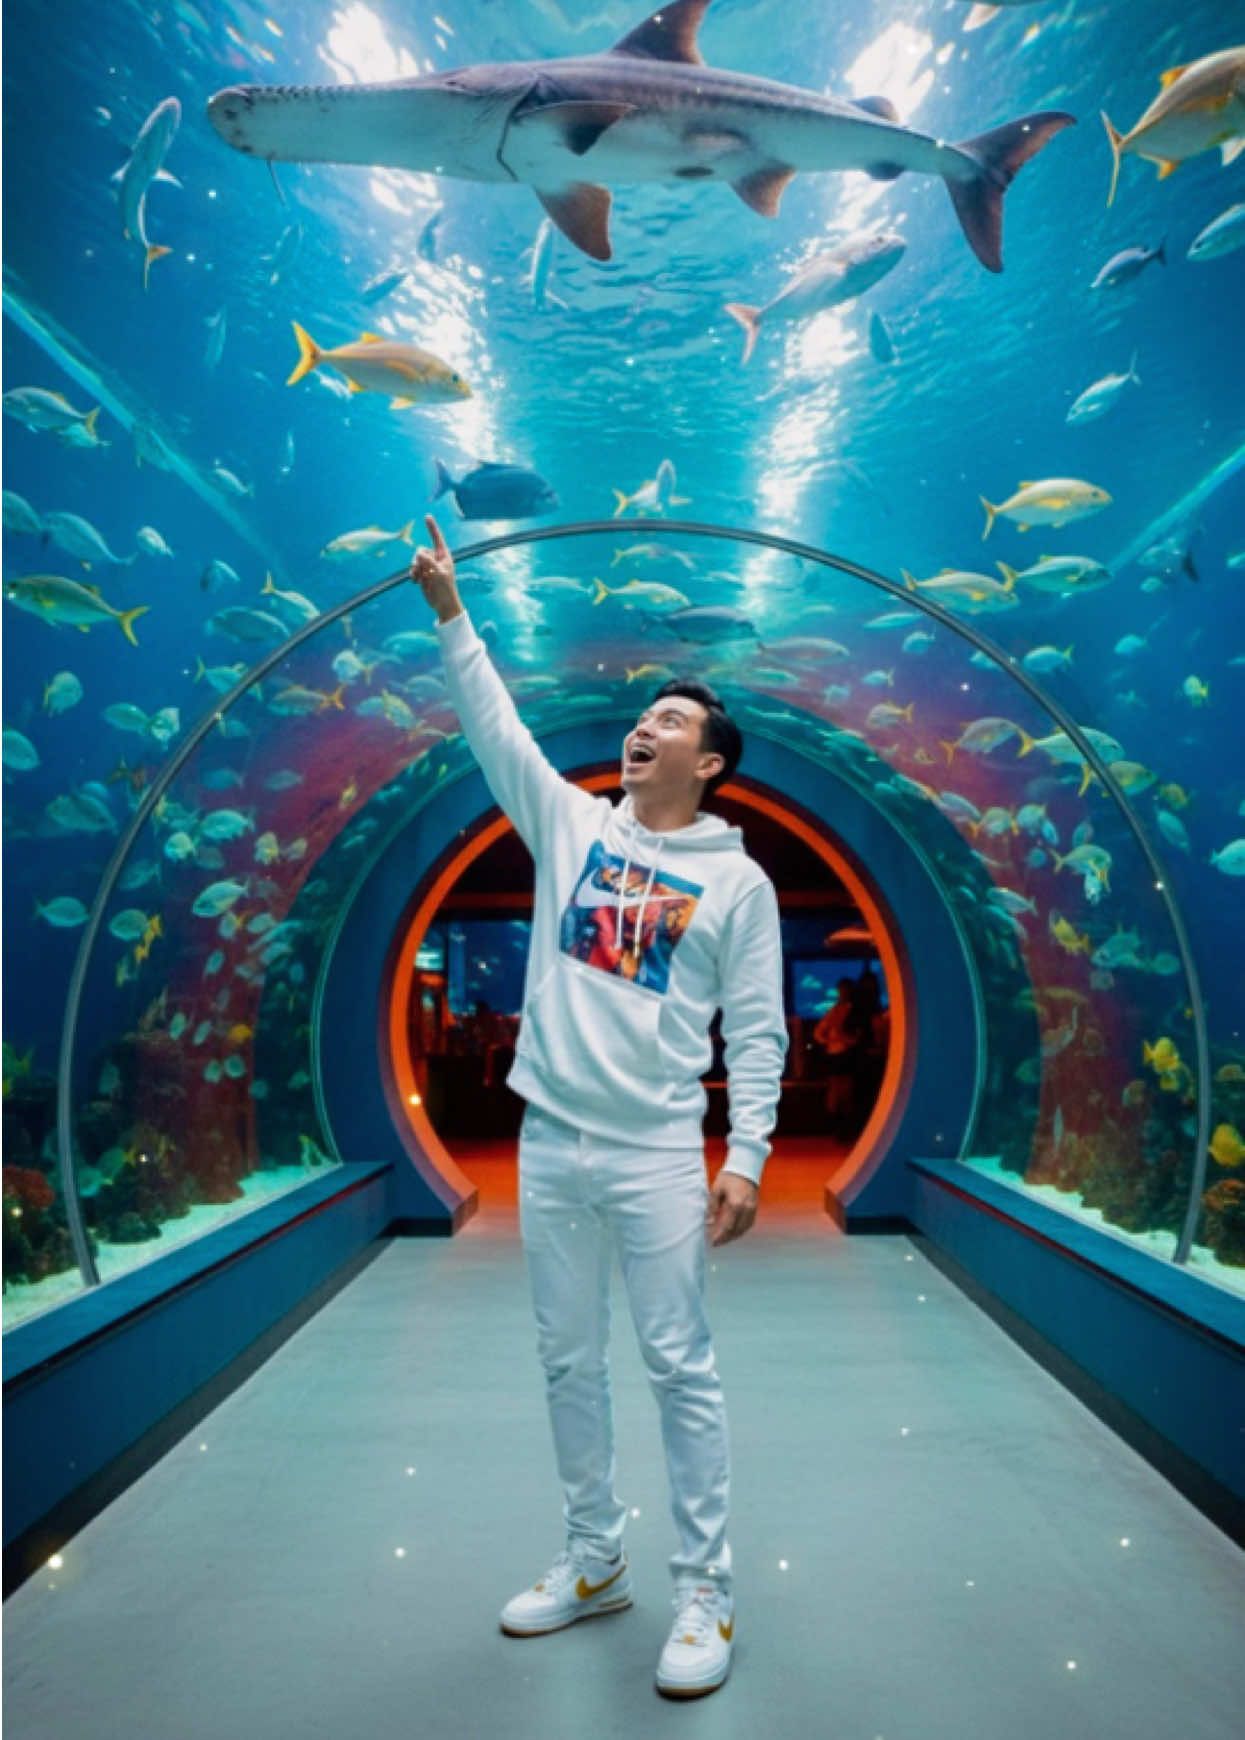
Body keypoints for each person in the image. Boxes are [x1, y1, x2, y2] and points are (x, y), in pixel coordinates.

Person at [410, 516, 787, 1701]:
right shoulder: (571, 826)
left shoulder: (739, 884)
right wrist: (452, 614)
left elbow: (760, 1031)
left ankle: (709, 1595)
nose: (644, 728)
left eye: (671, 723)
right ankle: (594, 1563)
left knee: (679, 1366)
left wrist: (751, 1157)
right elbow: (496, 732)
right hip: (551, 1144)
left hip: (659, 1154)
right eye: (643, 717)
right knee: (568, 1362)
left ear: (711, 762)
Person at [813, 977, 859, 1137]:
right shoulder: (834, 1009)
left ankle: (846, 1129)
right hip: (833, 1055)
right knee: (835, 1091)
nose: (841, 993)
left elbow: (856, 1038)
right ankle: (836, 1128)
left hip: (846, 1054)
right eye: (840, 990)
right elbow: (819, 1031)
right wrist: (826, 1040)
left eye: (844, 990)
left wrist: (843, 1038)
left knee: (846, 1092)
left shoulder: (854, 1010)